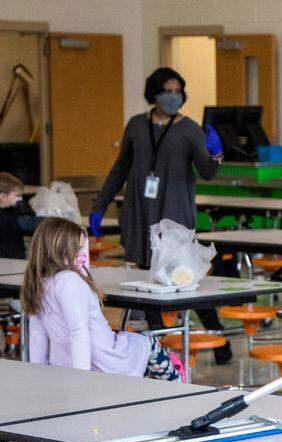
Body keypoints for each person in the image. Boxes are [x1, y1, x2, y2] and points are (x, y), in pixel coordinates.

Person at [88, 66, 232, 363]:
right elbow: (121, 167)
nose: (173, 96)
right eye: (168, 91)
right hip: (141, 213)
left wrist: (215, 154)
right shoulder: (137, 126)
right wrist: (99, 206)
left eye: (178, 91)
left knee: (184, 279)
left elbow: (206, 172)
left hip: (174, 215)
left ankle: (219, 340)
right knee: (147, 280)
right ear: (154, 93)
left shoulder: (190, 129)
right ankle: (159, 347)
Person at [22, 217, 184, 382]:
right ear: (61, 251)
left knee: (136, 341)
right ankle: (181, 390)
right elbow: (78, 332)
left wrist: (37, 375)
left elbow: (37, 334)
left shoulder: (38, 282)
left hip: (65, 365)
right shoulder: (70, 281)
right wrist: (82, 380)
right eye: (77, 250)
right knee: (148, 341)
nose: (82, 257)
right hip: (104, 362)